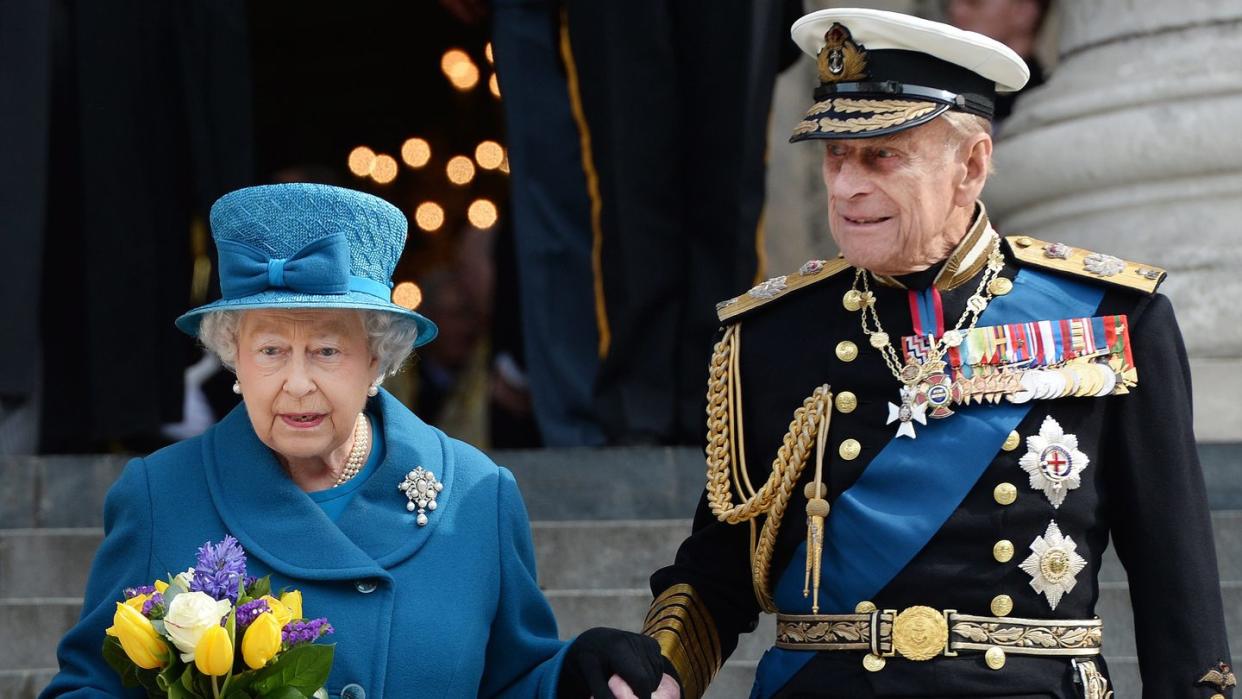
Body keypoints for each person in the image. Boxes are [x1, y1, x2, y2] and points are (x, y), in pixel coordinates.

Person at [632, 8, 1234, 699]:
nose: (845, 186)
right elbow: (717, 577)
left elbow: (1177, 598)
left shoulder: (1115, 316)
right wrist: (656, 668)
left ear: (971, 165)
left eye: (881, 155)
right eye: (835, 154)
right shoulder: (769, 336)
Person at [40, 183, 670, 698]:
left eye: (326, 350)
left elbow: (511, 683)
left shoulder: (478, 495)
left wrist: (574, 676)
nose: (296, 384)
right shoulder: (159, 495)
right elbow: (89, 688)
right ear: (234, 360)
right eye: (269, 350)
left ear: (378, 361)